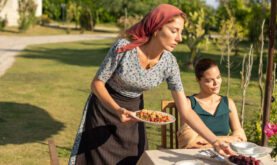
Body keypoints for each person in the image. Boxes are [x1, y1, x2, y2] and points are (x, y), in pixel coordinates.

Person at [68, 4, 234, 165]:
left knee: (135, 158)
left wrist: (214, 141)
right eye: (174, 31)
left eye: (181, 32)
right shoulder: (124, 48)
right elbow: (96, 84)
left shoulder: (169, 63)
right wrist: (117, 109)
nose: (180, 38)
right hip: (104, 111)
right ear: (156, 29)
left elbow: (185, 110)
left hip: (134, 114)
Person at [177, 58, 247, 149]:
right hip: (197, 156)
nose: (216, 83)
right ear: (198, 79)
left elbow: (240, 138)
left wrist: (204, 141)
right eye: (209, 80)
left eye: (218, 77)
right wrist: (225, 140)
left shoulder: (228, 103)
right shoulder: (189, 104)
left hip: (223, 155)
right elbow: (188, 142)